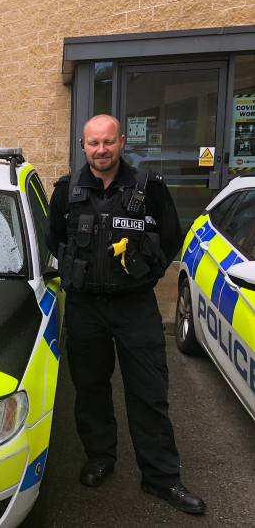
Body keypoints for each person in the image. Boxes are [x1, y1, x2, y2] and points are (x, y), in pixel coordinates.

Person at [45, 114, 205, 514]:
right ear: (83, 146)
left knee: (149, 393)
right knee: (91, 389)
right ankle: (100, 458)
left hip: (135, 307)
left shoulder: (149, 189)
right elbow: (55, 239)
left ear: (121, 144)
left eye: (109, 142)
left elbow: (170, 240)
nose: (101, 150)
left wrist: (142, 276)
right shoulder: (66, 191)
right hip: (85, 308)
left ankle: (161, 478)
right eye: (93, 143)